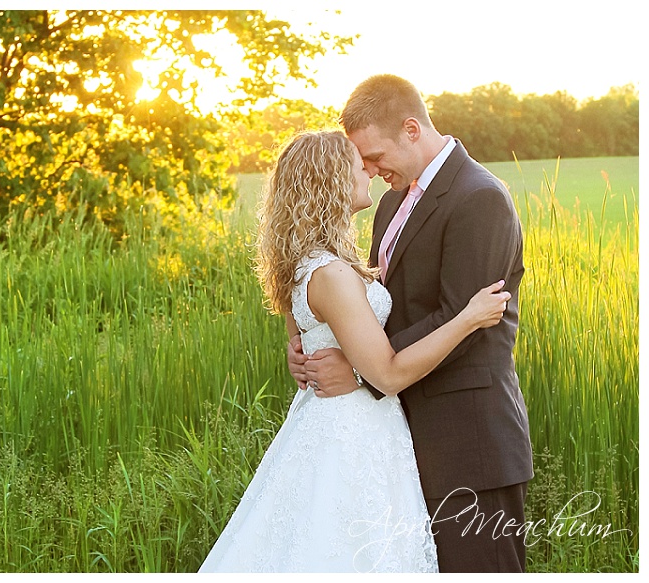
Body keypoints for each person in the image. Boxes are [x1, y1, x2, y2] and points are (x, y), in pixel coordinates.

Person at [199, 130, 511, 572]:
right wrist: (467, 317)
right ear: (330, 180)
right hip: (353, 430)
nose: (368, 169)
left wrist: (302, 355)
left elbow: (301, 339)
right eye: (356, 163)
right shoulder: (332, 275)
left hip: (335, 420)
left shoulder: (305, 264)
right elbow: (387, 374)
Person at [287, 75, 534, 572]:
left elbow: (463, 319)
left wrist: (356, 371)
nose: (372, 171)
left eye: (375, 156)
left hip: (468, 441)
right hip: (400, 441)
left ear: (411, 129)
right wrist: (313, 343)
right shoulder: (390, 205)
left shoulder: (478, 197)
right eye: (364, 162)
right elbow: (376, 308)